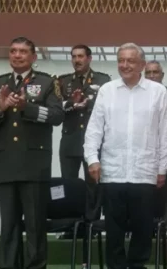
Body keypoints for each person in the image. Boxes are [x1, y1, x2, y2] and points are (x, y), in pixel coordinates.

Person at [84, 43, 167, 269]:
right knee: (114, 228)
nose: (125, 65)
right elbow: (94, 128)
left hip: (145, 172)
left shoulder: (158, 92)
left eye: (130, 61)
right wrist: (92, 159)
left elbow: (165, 133)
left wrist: (162, 168)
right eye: (121, 60)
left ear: (142, 65)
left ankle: (137, 266)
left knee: (143, 227)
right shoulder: (107, 90)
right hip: (112, 171)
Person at [0, 36, 64, 269]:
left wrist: (29, 108)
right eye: (13, 51)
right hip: (5, 162)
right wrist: (1, 108)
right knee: (9, 224)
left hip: (34, 164)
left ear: (33, 57)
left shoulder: (47, 82)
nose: (17, 55)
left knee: (36, 224)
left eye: (23, 52)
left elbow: (57, 116)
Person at [58, 44, 111, 225]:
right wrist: (71, 104)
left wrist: (88, 103)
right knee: (69, 183)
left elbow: (108, 107)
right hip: (70, 139)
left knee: (93, 184)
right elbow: (56, 107)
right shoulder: (63, 81)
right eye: (73, 57)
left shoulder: (103, 80)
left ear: (89, 58)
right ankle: (70, 223)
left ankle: (92, 222)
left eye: (80, 56)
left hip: (94, 141)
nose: (77, 60)